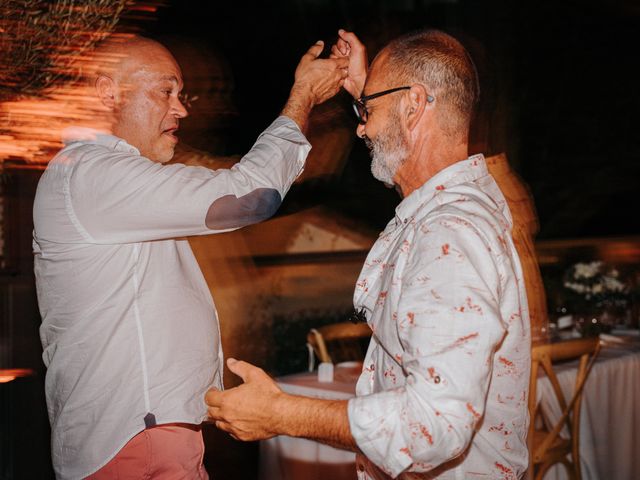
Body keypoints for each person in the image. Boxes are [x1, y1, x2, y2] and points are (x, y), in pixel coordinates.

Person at [206, 28, 531, 479]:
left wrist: (282, 414)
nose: (361, 126)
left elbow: (432, 426)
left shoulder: (448, 233)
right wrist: (371, 91)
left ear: (414, 105)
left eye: (367, 111)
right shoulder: (463, 202)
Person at [32, 34, 348, 479]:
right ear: (108, 93)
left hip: (147, 433)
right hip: (135, 439)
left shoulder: (107, 178)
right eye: (165, 91)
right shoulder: (93, 173)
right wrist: (302, 98)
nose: (182, 109)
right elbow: (249, 196)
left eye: (183, 94)